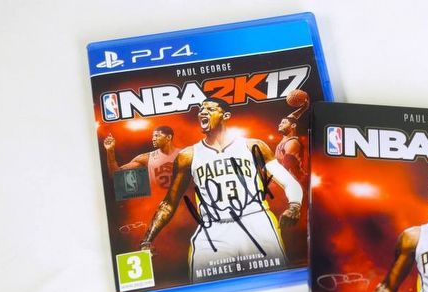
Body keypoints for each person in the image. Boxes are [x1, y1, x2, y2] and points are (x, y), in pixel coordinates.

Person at [139, 98, 303, 282]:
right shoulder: (188, 156)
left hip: (256, 221)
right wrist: (147, 240)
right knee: (204, 290)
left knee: (275, 285)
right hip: (213, 229)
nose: (203, 112)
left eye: (210, 109)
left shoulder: (252, 146)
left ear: (225, 115)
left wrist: (294, 206)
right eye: (201, 109)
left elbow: (288, 181)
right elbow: (169, 202)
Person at [103, 126, 179, 190]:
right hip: (157, 200)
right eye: (153, 136)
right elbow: (115, 176)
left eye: (157, 136)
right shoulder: (145, 158)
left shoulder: (184, 154)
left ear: (169, 137)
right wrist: (110, 150)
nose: (153, 139)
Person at [275, 101, 309, 182]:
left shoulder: (292, 143)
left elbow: (286, 167)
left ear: (293, 126)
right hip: (288, 179)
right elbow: (291, 117)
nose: (280, 124)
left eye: (283, 123)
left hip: (295, 181)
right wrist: (304, 108)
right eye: (280, 123)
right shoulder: (286, 139)